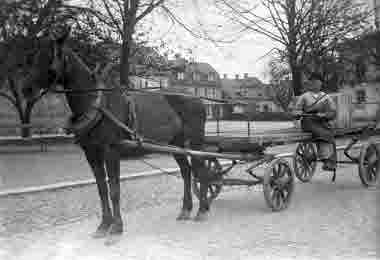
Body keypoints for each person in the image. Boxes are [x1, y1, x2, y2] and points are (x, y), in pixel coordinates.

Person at [293, 73, 337, 171]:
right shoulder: (304, 97)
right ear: (309, 84)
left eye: (317, 82)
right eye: (312, 82)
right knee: (322, 133)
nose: (314, 84)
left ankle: (331, 161)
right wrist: (298, 113)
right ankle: (325, 158)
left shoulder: (326, 97)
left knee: (329, 133)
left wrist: (324, 115)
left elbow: (333, 112)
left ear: (321, 84)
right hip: (308, 122)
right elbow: (296, 110)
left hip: (322, 122)